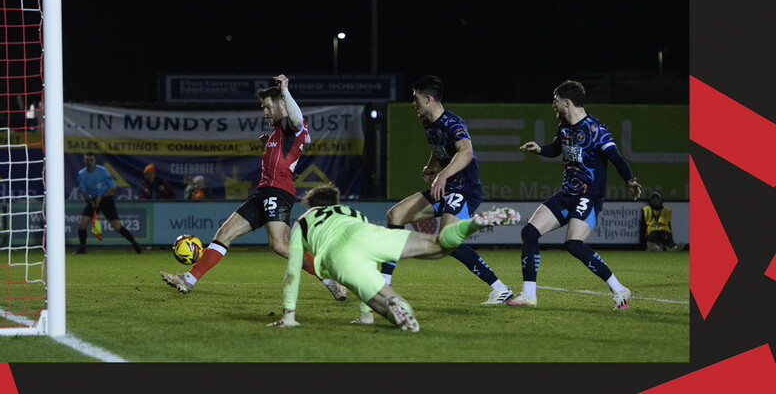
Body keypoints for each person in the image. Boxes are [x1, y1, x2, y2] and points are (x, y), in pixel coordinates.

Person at [161, 74, 347, 301]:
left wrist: (286, 91)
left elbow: (297, 121)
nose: (265, 112)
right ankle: (188, 279)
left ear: (281, 105)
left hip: (278, 191)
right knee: (224, 233)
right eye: (263, 108)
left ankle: (329, 276)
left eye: (268, 107)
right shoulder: (278, 133)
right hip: (265, 192)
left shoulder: (290, 125)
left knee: (279, 245)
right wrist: (268, 143)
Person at [267, 183, 521, 331]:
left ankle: (400, 313)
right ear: (334, 202)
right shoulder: (348, 211)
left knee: (384, 302)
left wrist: (289, 316)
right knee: (440, 244)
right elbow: (368, 252)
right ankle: (474, 224)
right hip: (369, 234)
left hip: (339, 255)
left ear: (312, 206)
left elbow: (292, 271)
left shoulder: (303, 221)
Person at [379, 75, 515, 305]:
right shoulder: (428, 122)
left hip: (463, 189)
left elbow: (466, 152)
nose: (414, 103)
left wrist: (442, 175)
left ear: (428, 99)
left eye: (416, 99)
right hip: (446, 188)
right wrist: (432, 166)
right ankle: (384, 283)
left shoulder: (453, 122)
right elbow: (438, 147)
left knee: (447, 241)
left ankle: (500, 288)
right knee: (396, 215)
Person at [508, 80, 643, 309]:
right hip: (566, 194)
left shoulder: (595, 129)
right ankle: (529, 295)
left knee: (573, 244)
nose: (553, 105)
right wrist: (540, 149)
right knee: (529, 232)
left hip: (588, 197)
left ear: (567, 103)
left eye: (556, 101)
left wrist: (629, 180)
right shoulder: (564, 128)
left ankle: (620, 289)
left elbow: (616, 158)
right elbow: (556, 149)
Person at [74, 152, 143, 255]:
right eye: (87, 160)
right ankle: (82, 249)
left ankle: (135, 245)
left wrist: (101, 196)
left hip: (106, 199)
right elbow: (83, 192)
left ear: (95, 161)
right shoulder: (81, 174)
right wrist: (90, 201)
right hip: (93, 200)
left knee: (116, 226)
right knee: (82, 224)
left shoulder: (102, 171)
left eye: (91, 160)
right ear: (84, 161)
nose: (89, 162)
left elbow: (112, 187)